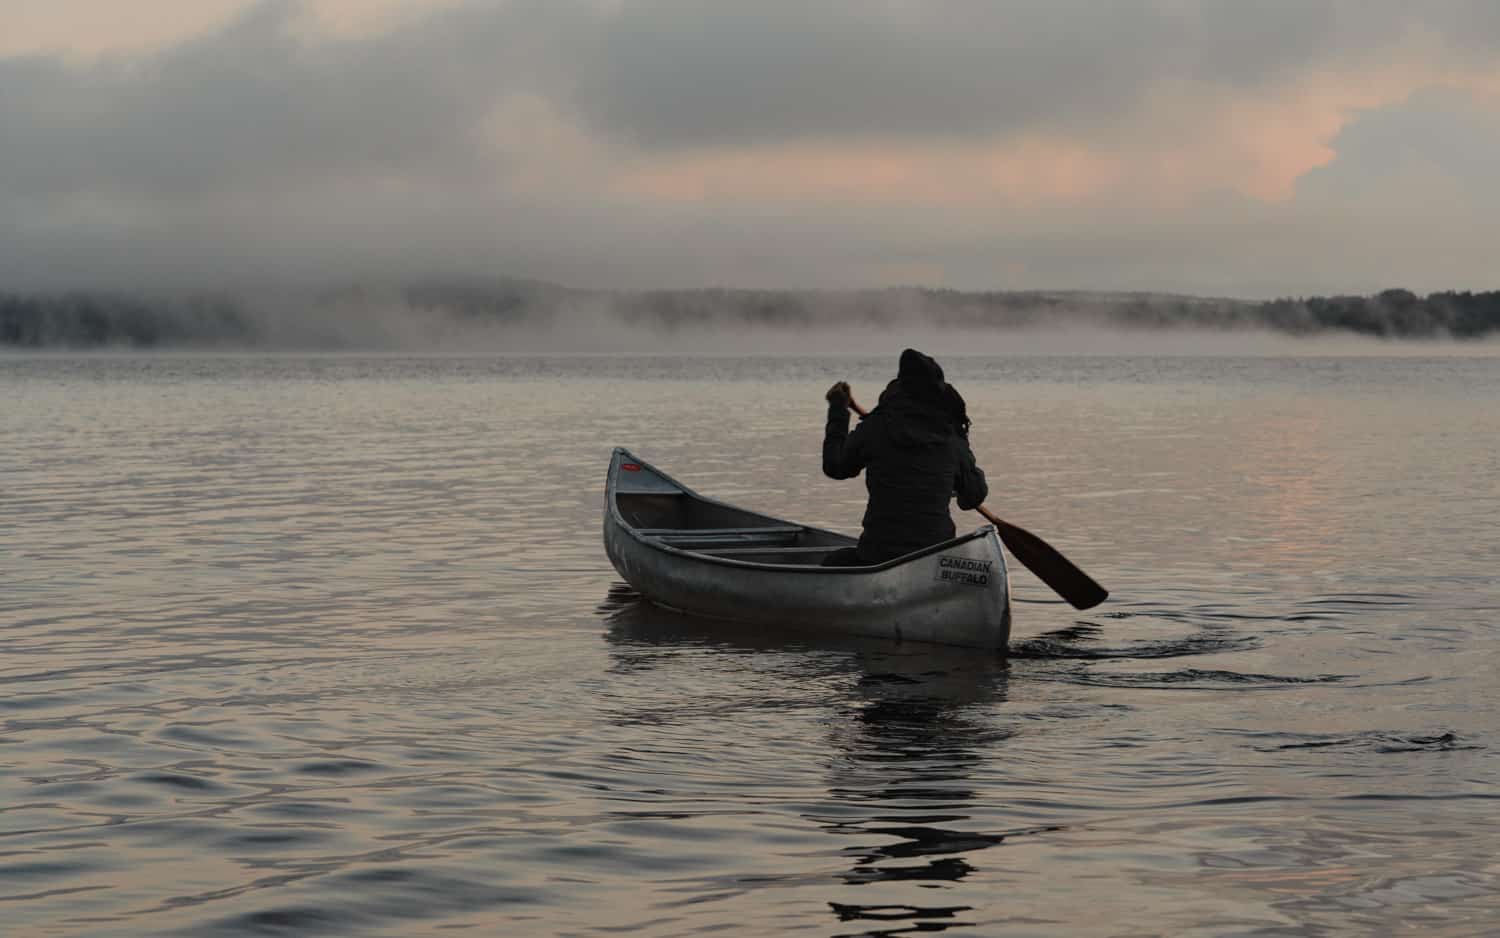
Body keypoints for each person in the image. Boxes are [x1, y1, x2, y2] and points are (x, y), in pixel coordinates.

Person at [821, 349, 988, 566]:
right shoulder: (952, 435)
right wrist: (957, 482)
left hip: (878, 555)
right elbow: (973, 497)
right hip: (936, 556)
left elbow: (835, 466)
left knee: (832, 563)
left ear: (900, 385)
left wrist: (838, 410)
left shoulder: (877, 426)